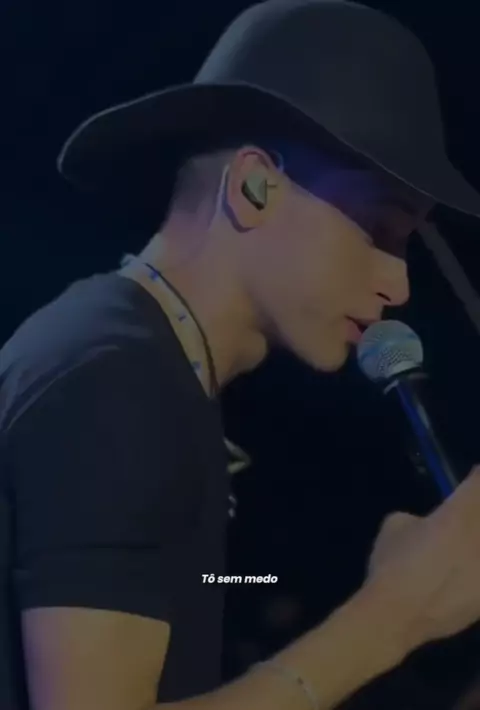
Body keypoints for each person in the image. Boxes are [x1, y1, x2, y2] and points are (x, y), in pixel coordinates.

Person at [2, 1, 480, 709]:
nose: (399, 283)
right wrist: (395, 616)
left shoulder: (144, 362)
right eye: (379, 228)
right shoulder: (115, 380)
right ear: (255, 187)